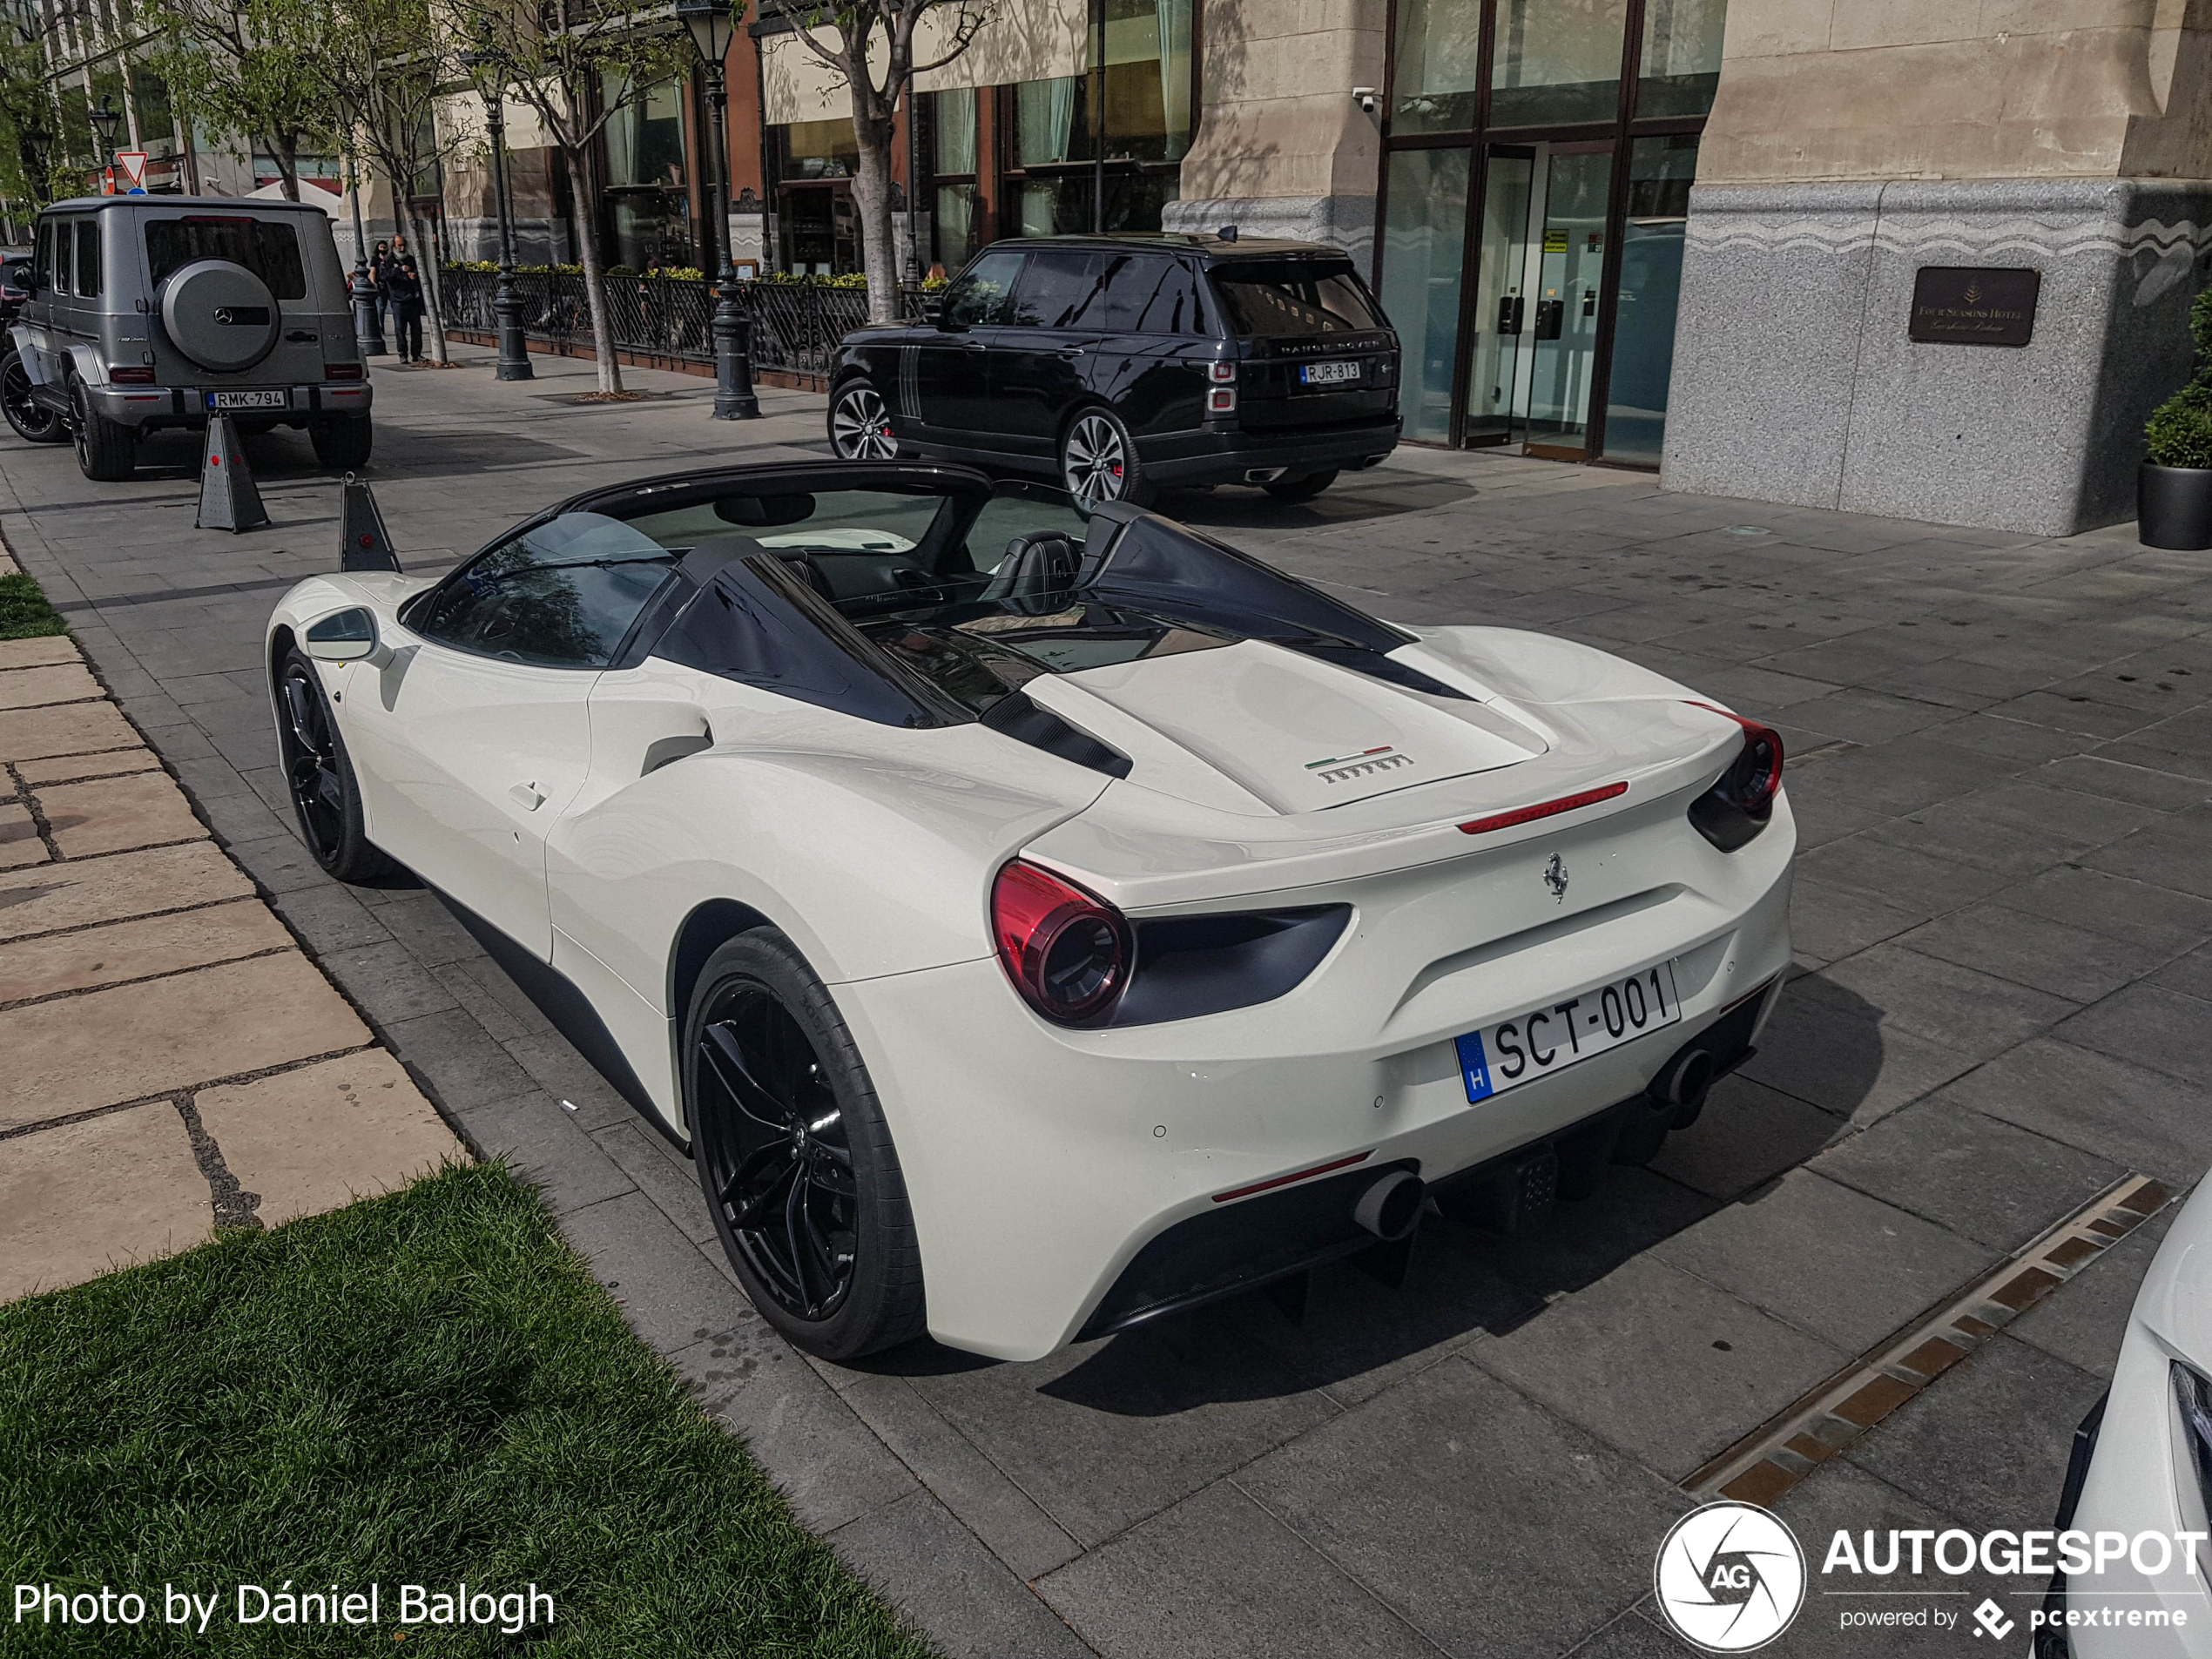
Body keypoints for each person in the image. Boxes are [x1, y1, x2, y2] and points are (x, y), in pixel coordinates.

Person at [388, 255, 425, 363]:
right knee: (400, 328)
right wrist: (399, 270)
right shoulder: (389, 260)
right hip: (398, 300)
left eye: (403, 245)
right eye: (399, 245)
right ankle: (403, 354)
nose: (402, 247)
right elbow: (385, 276)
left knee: (417, 329)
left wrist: (415, 276)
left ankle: (416, 354)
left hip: (413, 299)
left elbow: (421, 272)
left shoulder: (411, 259)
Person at [369, 239, 391, 328]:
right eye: (381, 247)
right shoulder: (375, 259)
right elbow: (372, 272)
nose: (382, 249)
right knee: (381, 306)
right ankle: (380, 326)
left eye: (384, 247)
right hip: (381, 284)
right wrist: (374, 283)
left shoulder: (389, 258)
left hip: (390, 283)